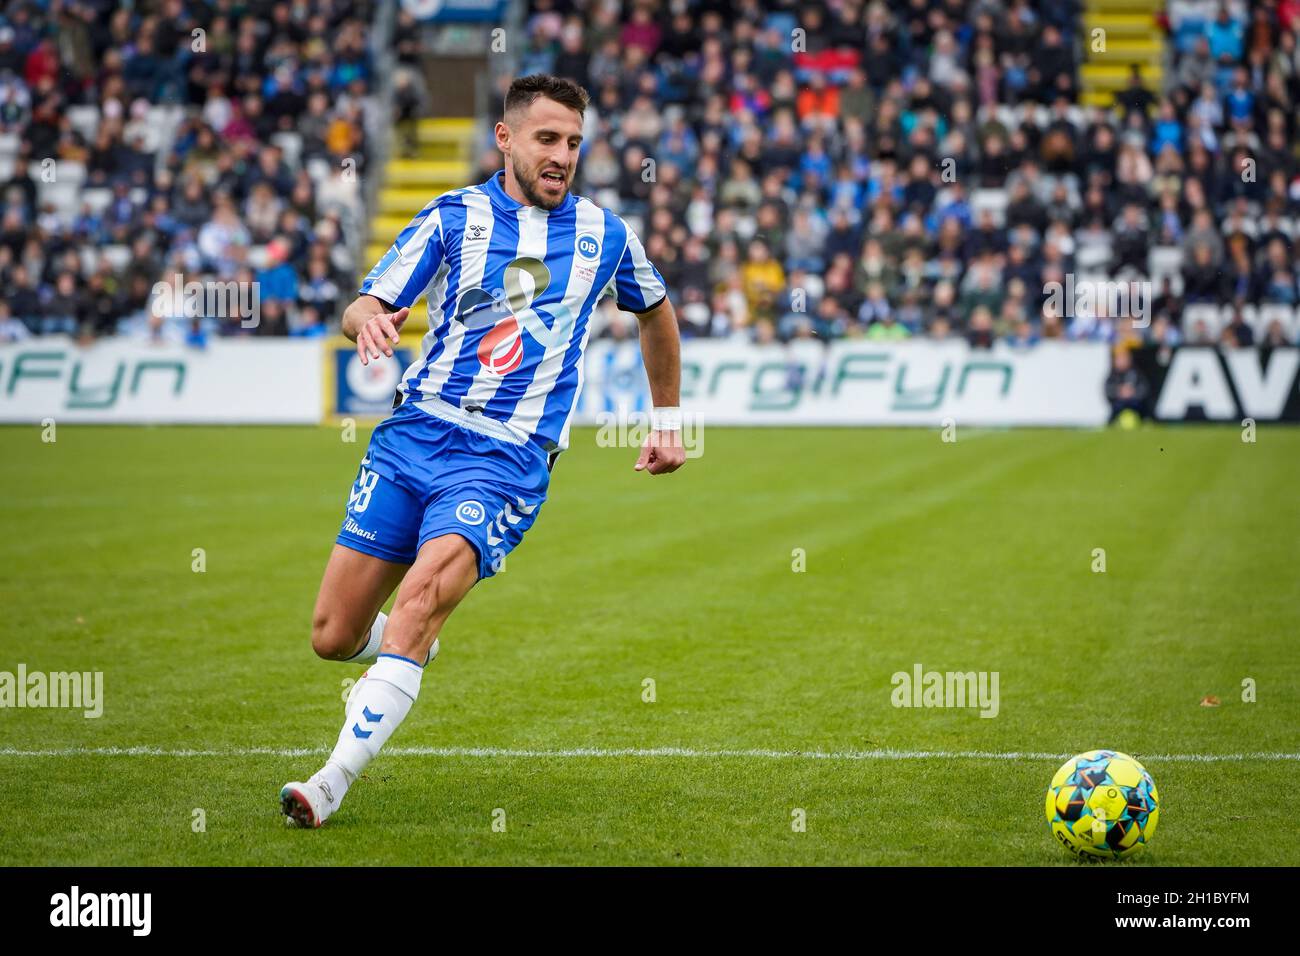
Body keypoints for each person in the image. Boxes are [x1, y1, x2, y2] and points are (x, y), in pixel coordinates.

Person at [279, 74, 687, 828]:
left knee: (422, 599)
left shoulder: (605, 236)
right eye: (546, 139)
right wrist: (365, 320)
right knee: (333, 636)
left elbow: (657, 311)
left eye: (572, 141)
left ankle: (330, 779)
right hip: (413, 437)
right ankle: (407, 648)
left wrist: (668, 419)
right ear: (506, 138)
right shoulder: (452, 217)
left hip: (504, 458)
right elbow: (366, 301)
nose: (562, 155)